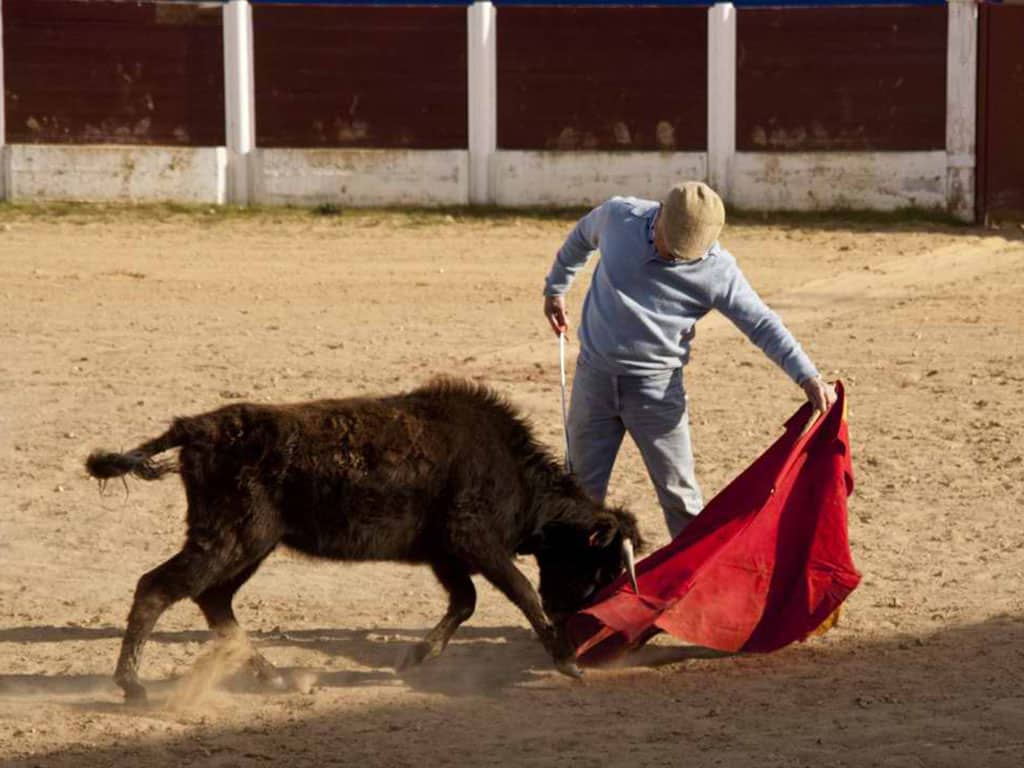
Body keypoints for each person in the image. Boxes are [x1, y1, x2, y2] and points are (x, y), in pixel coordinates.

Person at [542, 181, 836, 538]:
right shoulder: (620, 217)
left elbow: (761, 323)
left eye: (688, 253)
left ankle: (692, 589)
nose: (676, 257)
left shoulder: (717, 270)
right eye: (673, 246)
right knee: (580, 497)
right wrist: (556, 287)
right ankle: (579, 591)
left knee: (680, 498)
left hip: (656, 393)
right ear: (659, 214)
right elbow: (580, 238)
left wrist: (807, 376)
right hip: (594, 381)